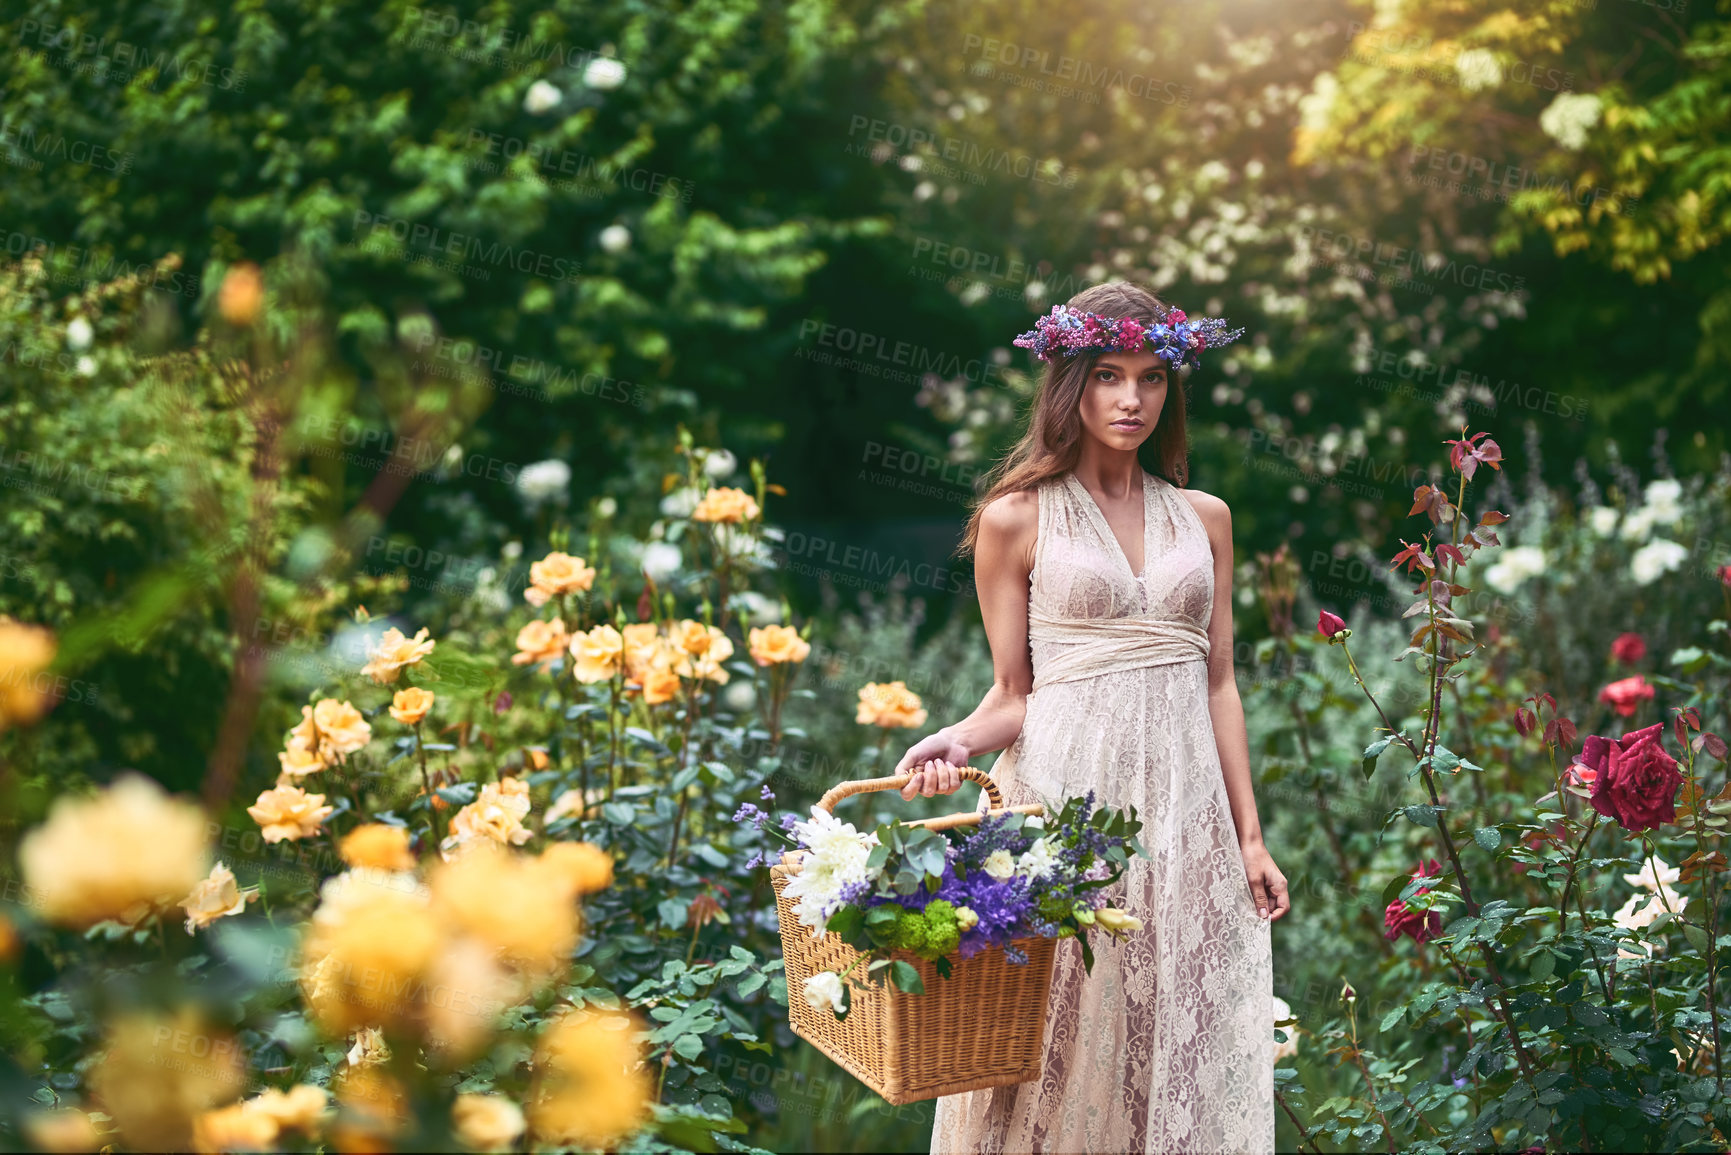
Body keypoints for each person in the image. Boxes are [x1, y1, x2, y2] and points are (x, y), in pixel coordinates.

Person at [899, 281, 1288, 1154]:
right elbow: (1011, 694)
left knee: (1174, 1028)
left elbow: (1219, 680)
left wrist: (1248, 837)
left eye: (1152, 378)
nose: (1130, 398)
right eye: (1108, 375)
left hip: (1184, 817)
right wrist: (957, 739)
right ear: (1068, 383)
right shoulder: (1015, 518)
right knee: (1053, 1037)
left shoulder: (1207, 519)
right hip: (1065, 810)